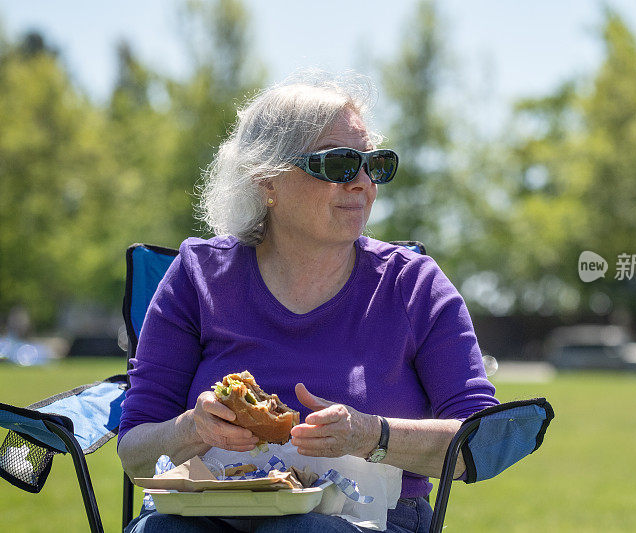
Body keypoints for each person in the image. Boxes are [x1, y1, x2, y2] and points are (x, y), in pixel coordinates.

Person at [117, 71, 498, 533]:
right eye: (338, 164)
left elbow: (483, 441)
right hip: (210, 508)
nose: (362, 182)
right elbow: (134, 451)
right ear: (266, 180)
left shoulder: (412, 285)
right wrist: (191, 429)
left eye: (374, 164)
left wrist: (371, 435)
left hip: (366, 518)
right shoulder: (198, 276)